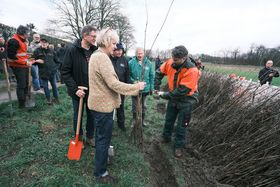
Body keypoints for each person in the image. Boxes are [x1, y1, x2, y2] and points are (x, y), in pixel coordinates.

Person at [88, 28, 145, 183]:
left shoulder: (96, 55)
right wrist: (136, 87)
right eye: (113, 43)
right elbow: (114, 84)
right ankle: (101, 172)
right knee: (103, 139)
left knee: (102, 137)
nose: (115, 46)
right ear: (106, 42)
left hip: (98, 104)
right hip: (103, 106)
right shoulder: (102, 58)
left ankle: (102, 162)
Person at [154, 45, 200, 158]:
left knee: (182, 125)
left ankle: (178, 146)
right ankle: (166, 137)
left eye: (176, 59)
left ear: (184, 58)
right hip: (173, 97)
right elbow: (159, 72)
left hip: (187, 99)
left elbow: (181, 92)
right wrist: (156, 85)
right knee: (169, 119)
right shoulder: (170, 62)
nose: (173, 61)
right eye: (173, 58)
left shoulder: (192, 70)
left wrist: (163, 95)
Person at [61, 25, 98, 147]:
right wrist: (75, 89)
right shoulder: (72, 50)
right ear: (84, 35)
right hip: (78, 91)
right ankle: (79, 138)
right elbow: (65, 72)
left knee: (92, 115)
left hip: (92, 91)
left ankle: (90, 137)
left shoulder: (95, 51)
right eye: (93, 36)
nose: (95, 38)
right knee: (78, 116)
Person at [6, 25, 33, 108]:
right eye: (27, 33)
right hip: (17, 66)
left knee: (26, 84)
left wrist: (28, 58)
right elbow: (11, 57)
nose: (29, 35)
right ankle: (21, 104)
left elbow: (21, 53)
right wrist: (25, 62)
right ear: (22, 33)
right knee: (21, 85)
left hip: (24, 65)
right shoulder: (14, 41)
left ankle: (25, 100)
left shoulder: (22, 40)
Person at [129, 47, 154, 127]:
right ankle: (134, 120)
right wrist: (134, 81)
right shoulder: (131, 63)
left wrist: (151, 88)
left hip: (145, 89)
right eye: (138, 53)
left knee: (143, 106)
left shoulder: (148, 63)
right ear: (136, 54)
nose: (139, 55)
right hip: (134, 89)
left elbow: (151, 76)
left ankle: (143, 121)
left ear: (144, 53)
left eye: (141, 53)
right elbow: (128, 75)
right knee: (134, 106)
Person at [110, 43, 130, 131]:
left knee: (120, 106)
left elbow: (127, 74)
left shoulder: (125, 60)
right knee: (110, 106)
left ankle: (121, 124)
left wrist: (128, 86)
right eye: (117, 50)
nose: (119, 52)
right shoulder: (108, 59)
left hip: (121, 88)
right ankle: (109, 124)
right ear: (113, 50)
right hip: (110, 88)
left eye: (120, 50)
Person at [33, 38, 59, 104]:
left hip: (52, 72)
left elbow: (57, 61)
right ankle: (48, 100)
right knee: (45, 87)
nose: (44, 43)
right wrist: (36, 61)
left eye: (45, 42)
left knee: (54, 86)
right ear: (40, 43)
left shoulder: (52, 51)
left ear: (47, 43)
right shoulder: (37, 51)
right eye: (42, 42)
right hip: (43, 72)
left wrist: (55, 69)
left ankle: (56, 98)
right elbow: (33, 61)